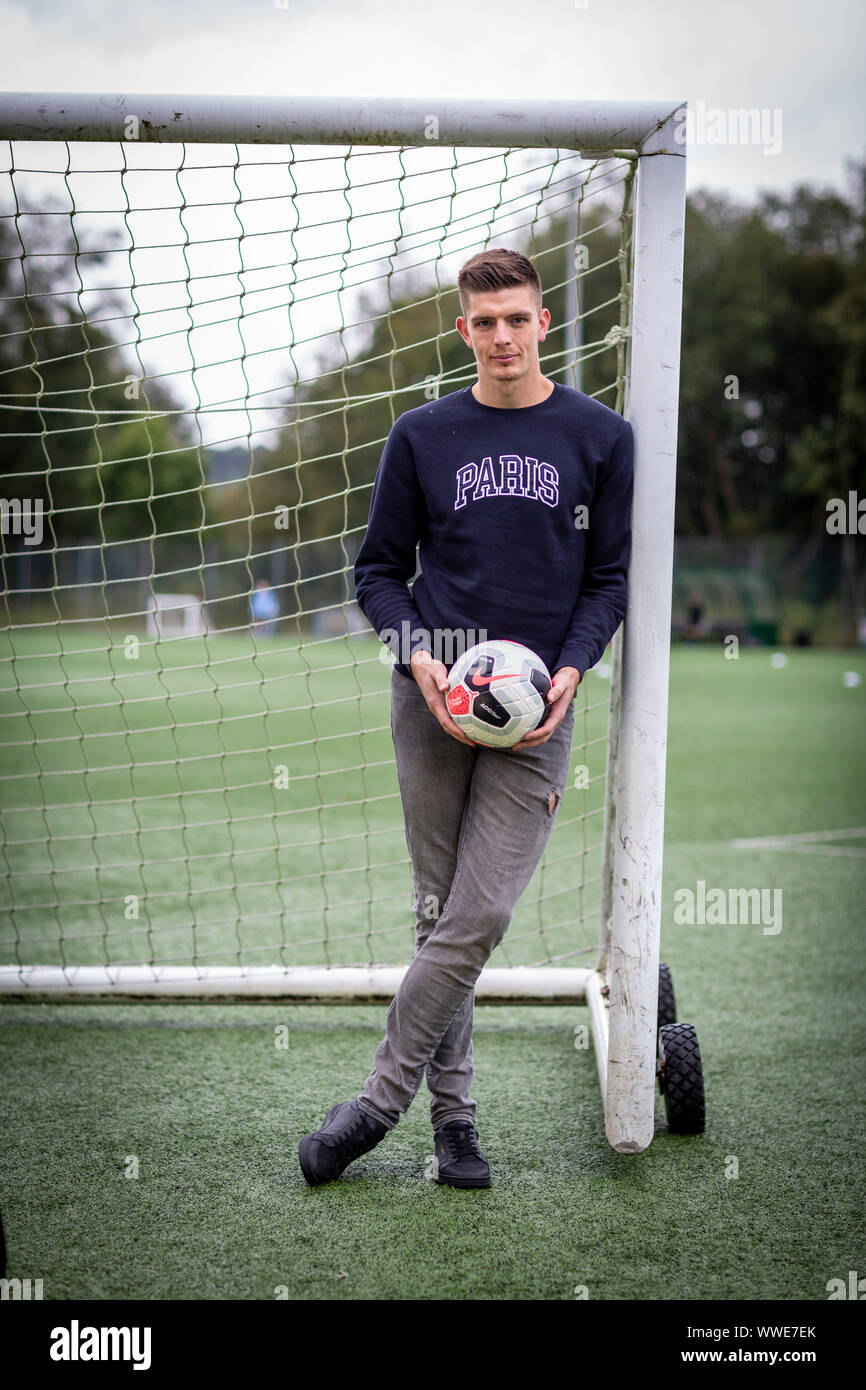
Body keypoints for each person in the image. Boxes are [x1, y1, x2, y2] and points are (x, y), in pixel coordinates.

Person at [298, 248, 634, 1189]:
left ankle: (375, 1103)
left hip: (537, 712)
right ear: (464, 331)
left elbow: (608, 578)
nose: (502, 338)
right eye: (484, 323)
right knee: (437, 912)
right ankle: (457, 1126)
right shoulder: (423, 435)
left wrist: (570, 670)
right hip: (432, 701)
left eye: (517, 319)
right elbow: (376, 571)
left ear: (544, 324)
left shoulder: (601, 437)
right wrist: (420, 658)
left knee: (477, 913)